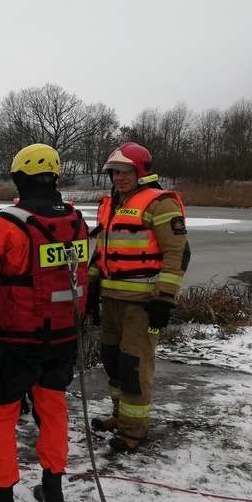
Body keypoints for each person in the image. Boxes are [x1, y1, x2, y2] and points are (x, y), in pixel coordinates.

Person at [0, 143, 89, 502]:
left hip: (19, 339)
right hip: (64, 335)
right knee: (52, 408)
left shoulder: (9, 223)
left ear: (19, 177)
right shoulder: (76, 219)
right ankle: (53, 488)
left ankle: (1, 499)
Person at [86, 142, 190, 453]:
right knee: (113, 361)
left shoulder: (160, 204)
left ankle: (133, 432)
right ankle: (120, 416)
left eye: (125, 171)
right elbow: (102, 252)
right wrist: (92, 288)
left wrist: (165, 299)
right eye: (115, 172)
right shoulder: (111, 205)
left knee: (134, 366)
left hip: (143, 304)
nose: (119, 177)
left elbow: (176, 253)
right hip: (112, 298)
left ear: (141, 172)